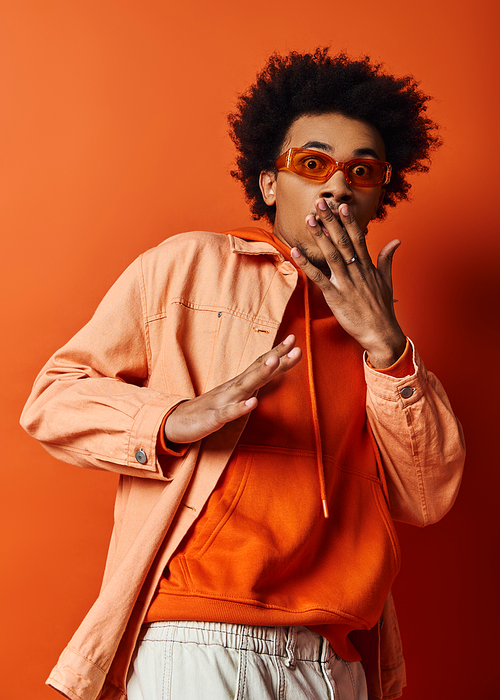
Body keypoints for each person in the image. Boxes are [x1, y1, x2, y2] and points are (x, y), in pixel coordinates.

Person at [21, 49, 465, 700]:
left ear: (378, 195)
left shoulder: (381, 337)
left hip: (333, 659)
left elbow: (426, 498)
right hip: (200, 641)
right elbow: (52, 398)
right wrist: (172, 418)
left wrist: (386, 345)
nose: (337, 186)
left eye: (361, 171)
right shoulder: (187, 267)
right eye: (313, 164)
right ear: (267, 183)